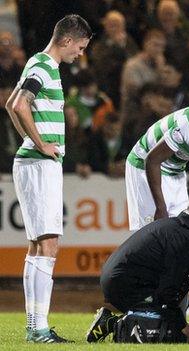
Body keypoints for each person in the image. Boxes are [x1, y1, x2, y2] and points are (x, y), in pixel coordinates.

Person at [4, 14, 91, 343]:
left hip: (34, 163)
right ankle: (38, 329)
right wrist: (39, 143)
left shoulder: (35, 63)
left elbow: (12, 104)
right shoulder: (45, 66)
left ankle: (34, 326)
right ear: (67, 40)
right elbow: (22, 105)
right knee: (50, 244)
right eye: (80, 48)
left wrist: (29, 140)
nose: (80, 54)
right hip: (40, 164)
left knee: (37, 245)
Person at [86, 210, 189, 343]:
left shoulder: (180, 230)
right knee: (170, 332)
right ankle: (113, 323)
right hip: (123, 283)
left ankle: (112, 322)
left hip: (121, 279)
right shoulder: (186, 240)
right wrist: (181, 325)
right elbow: (167, 294)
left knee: (171, 323)